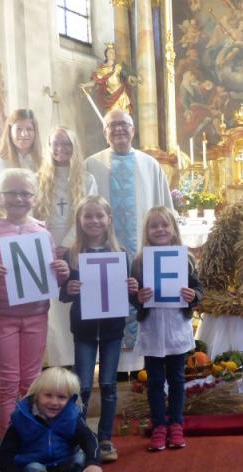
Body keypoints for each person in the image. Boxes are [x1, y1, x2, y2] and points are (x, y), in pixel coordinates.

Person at [0, 169, 70, 435]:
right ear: (0, 197)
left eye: (25, 193)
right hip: (2, 317)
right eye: (12, 193)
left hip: (36, 316)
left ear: (34, 198)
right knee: (8, 382)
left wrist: (62, 272)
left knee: (31, 381)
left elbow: (51, 277)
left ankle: (31, 437)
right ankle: (7, 441)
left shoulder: (42, 233)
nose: (18, 198)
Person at [86, 110, 174, 373]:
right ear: (104, 132)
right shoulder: (91, 165)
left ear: (133, 130)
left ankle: (143, 365)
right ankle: (112, 368)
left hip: (143, 254)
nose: (119, 129)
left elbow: (166, 211)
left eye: (124, 124)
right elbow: (84, 211)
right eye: (112, 125)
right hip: (106, 254)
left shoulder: (150, 165)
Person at [0, 368, 119, 472]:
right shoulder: (22, 418)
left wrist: (93, 463)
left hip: (64, 467)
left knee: (80, 457)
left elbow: (89, 438)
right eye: (48, 395)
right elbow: (3, 454)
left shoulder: (71, 415)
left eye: (61, 397)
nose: (54, 402)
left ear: (70, 398)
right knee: (33, 467)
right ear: (37, 394)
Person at [59, 196, 128, 462]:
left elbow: (126, 291)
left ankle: (105, 438)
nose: (94, 221)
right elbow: (63, 294)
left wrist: (132, 288)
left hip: (112, 329)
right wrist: (69, 289)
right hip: (84, 329)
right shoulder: (72, 254)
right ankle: (80, 439)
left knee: (109, 385)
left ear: (109, 220)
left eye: (99, 216)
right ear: (79, 220)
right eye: (88, 216)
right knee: (83, 386)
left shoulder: (120, 253)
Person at [130, 207, 203, 451]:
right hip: (152, 329)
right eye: (154, 226)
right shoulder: (139, 262)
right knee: (154, 381)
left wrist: (193, 295)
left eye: (164, 225)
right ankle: (159, 425)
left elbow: (198, 288)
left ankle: (176, 424)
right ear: (147, 231)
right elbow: (133, 296)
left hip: (176, 328)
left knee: (177, 379)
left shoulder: (185, 258)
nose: (160, 229)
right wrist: (139, 297)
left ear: (173, 229)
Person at [35, 127, 99, 370]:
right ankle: (55, 363)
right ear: (48, 147)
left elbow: (90, 213)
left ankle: (78, 363)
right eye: (56, 143)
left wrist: (66, 244)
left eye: (66, 144)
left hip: (76, 247)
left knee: (72, 303)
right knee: (52, 310)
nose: (61, 148)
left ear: (75, 147)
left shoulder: (86, 179)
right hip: (46, 251)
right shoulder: (39, 179)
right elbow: (33, 217)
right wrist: (50, 246)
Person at [0, 109, 43, 182]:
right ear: (9, 132)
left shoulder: (43, 164)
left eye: (29, 129)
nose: (24, 134)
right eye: (19, 129)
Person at [80, 43, 139, 114]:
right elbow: (95, 82)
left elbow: (127, 77)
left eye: (114, 53)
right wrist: (85, 85)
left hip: (122, 96)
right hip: (111, 97)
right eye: (111, 52)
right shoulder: (102, 70)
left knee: (124, 117)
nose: (113, 54)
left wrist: (133, 78)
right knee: (113, 116)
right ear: (106, 54)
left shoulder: (118, 67)